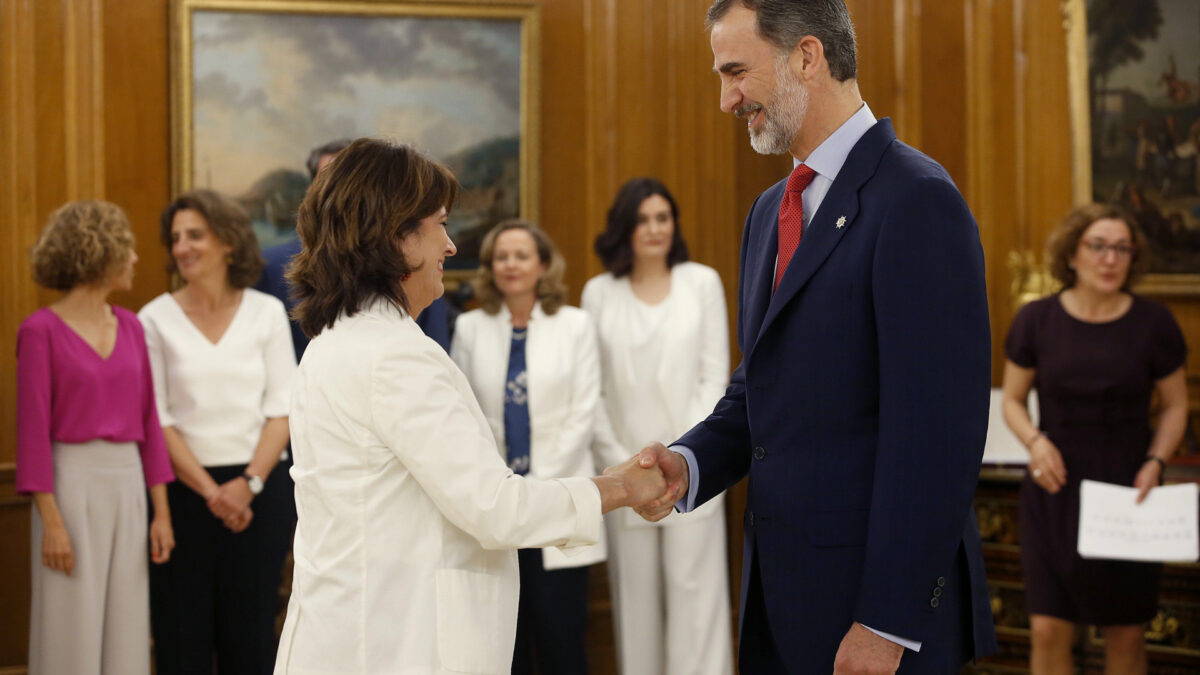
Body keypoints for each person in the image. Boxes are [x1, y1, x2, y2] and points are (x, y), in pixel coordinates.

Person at [633, 1, 998, 672]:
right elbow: (762, 387)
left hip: (873, 623)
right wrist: (689, 463)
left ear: (807, 56)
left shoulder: (917, 199)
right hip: (780, 603)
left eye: (736, 72)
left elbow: (937, 437)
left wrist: (887, 622)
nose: (726, 100)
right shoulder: (768, 212)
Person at [272, 138, 667, 674]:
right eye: (440, 224)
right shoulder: (394, 356)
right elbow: (496, 509)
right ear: (398, 238)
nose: (451, 246)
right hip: (392, 644)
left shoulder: (332, 343)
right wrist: (621, 487)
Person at [1001, 204, 1189, 674]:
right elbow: (1013, 400)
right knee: (1048, 629)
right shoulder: (1036, 319)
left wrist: (1156, 463)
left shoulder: (1154, 322)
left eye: (1122, 248)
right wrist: (1035, 443)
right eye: (1098, 246)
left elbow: (1175, 406)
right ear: (1071, 254)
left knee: (1126, 633)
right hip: (1054, 487)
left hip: (1130, 489)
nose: (1110, 258)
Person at [140, 189, 296, 675]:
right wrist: (213, 493)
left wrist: (247, 485)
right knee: (181, 639)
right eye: (175, 238)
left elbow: (283, 409)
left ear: (228, 241)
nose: (182, 247)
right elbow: (157, 418)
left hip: (260, 494)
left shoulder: (266, 312)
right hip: (183, 497)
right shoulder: (154, 318)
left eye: (195, 235)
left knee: (251, 640)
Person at [582, 177, 734, 675]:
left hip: (692, 470)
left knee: (698, 603)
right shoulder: (599, 293)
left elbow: (714, 379)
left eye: (662, 218)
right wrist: (630, 472)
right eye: (643, 219)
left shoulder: (701, 282)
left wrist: (679, 463)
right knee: (636, 607)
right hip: (624, 474)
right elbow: (593, 391)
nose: (654, 229)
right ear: (625, 228)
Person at [17, 200, 175, 675]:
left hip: (128, 486)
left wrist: (162, 512)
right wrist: (53, 523)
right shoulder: (40, 331)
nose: (135, 258)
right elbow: (32, 434)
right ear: (99, 252)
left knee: (127, 623)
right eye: (127, 248)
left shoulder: (131, 326)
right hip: (69, 488)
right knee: (70, 621)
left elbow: (149, 422)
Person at [451, 220, 604, 674]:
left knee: (562, 644)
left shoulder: (575, 325)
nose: (511, 265)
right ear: (489, 267)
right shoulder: (471, 328)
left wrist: (536, 490)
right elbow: (463, 415)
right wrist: (505, 489)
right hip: (495, 508)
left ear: (543, 265)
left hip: (560, 501)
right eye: (501, 257)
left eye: (521, 256)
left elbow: (584, 412)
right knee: (505, 649)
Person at [256, 138, 450, 359]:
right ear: (314, 192)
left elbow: (435, 341)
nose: (350, 195)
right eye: (336, 181)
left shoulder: (417, 258)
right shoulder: (273, 265)